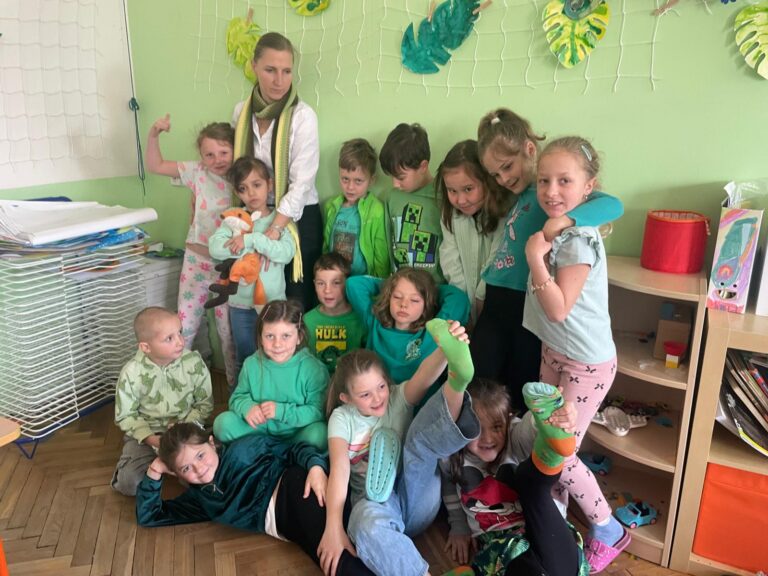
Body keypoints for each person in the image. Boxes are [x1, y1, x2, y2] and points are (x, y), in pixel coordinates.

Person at [471, 108, 624, 410]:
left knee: (518, 387)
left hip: (526, 302)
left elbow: (613, 204)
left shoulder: (553, 199)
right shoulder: (528, 194)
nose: (503, 178)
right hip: (496, 298)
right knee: (480, 383)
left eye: (506, 167)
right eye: (495, 174)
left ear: (529, 149)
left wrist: (564, 221)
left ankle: (512, 434)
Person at [523, 136, 628, 572]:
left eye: (564, 181)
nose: (551, 191)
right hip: (557, 352)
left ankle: (607, 527)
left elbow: (559, 308)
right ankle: (558, 525)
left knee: (561, 452)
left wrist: (535, 258)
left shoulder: (577, 239)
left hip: (586, 364)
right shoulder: (563, 228)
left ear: (589, 187)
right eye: (544, 180)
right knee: (546, 443)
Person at [319, 318, 479, 576]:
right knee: (364, 525)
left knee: (418, 440)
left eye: (381, 387)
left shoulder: (397, 397)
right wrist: (333, 527)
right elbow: (339, 470)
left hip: (415, 492)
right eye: (365, 395)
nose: (377, 398)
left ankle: (456, 382)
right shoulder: (342, 418)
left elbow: (424, 377)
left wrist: (444, 349)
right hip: (375, 504)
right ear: (346, 398)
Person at [136, 422, 375, 576]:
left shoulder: (244, 449)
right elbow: (150, 516)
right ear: (176, 474)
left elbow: (293, 450)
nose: (199, 469)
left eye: (200, 455)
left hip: (294, 489)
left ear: (211, 443)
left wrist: (314, 467)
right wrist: (154, 471)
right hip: (285, 525)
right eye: (186, 468)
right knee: (335, 560)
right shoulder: (199, 500)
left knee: (341, 558)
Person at [440, 379, 590, 576]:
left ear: (508, 422)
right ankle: (537, 474)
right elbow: (450, 487)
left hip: (542, 522)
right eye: (477, 429)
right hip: (501, 540)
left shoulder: (514, 438)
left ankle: (547, 440)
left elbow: (528, 430)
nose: (488, 438)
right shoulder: (450, 454)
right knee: (565, 570)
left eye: (496, 427)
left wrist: (547, 418)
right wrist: (459, 527)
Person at [145, 115, 237, 388]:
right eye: (209, 154)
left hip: (226, 267)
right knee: (184, 326)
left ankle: (234, 390)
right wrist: (154, 134)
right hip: (196, 262)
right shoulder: (197, 172)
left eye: (224, 152)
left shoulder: (242, 177)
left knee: (228, 334)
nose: (217, 159)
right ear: (201, 156)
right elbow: (156, 165)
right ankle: (175, 389)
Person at [233, 31, 322, 311]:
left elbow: (302, 183)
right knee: (257, 295)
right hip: (255, 214)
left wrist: (274, 229)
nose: (279, 80)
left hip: (296, 219)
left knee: (294, 303)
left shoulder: (302, 116)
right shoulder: (241, 113)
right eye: (270, 70)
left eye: (286, 71)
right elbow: (237, 170)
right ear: (254, 66)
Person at [208, 156, 296, 381]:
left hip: (273, 304)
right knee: (245, 358)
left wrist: (251, 240)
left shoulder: (279, 221)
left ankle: (272, 397)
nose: (251, 193)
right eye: (243, 189)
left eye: (257, 185)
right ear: (237, 192)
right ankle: (240, 399)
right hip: (241, 306)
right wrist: (249, 247)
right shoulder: (234, 220)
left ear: (269, 184)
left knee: (275, 357)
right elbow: (215, 248)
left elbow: (285, 254)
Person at [111, 307, 213, 496]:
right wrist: (152, 439)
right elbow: (126, 416)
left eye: (180, 332)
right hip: (148, 436)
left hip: (188, 430)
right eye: (169, 338)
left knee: (209, 476)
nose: (180, 341)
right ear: (145, 347)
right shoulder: (131, 373)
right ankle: (162, 464)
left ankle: (179, 466)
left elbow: (204, 404)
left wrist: (185, 429)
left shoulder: (194, 362)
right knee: (129, 483)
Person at [213, 299, 329, 449]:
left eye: (286, 336)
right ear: (261, 338)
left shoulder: (313, 369)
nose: (277, 344)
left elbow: (317, 411)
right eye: (269, 336)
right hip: (259, 430)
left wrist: (281, 411)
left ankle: (282, 452)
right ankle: (267, 449)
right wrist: (247, 407)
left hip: (296, 433)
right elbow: (237, 397)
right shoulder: (251, 364)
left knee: (320, 434)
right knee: (222, 424)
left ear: (299, 337)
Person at [346, 267, 469, 403]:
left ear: (427, 304)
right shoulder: (375, 321)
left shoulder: (434, 331)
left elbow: (458, 298)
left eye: (414, 300)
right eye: (397, 296)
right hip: (379, 405)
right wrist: (392, 284)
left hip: (422, 408)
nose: (403, 304)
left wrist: (427, 289)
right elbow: (354, 284)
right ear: (388, 297)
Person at [436, 140, 511, 326]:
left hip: (495, 300)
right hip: (463, 302)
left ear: (487, 181)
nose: (460, 200)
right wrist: (464, 303)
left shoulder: (503, 213)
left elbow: (496, 258)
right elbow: (450, 258)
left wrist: (480, 296)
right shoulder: (450, 214)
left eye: (468, 189)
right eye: (452, 191)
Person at [379, 123, 444, 282]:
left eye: (401, 177)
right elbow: (388, 243)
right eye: (392, 176)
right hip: (400, 286)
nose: (395, 184)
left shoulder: (444, 196)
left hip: (435, 286)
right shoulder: (392, 197)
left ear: (423, 167)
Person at [323, 138, 390, 278]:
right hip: (335, 281)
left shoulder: (376, 211)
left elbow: (381, 256)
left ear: (371, 180)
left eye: (358, 181)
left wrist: (378, 284)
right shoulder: (332, 207)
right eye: (345, 179)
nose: (350, 187)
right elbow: (326, 246)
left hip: (362, 282)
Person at [304, 252, 368, 373]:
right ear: (314, 284)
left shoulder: (361, 319)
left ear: (347, 284)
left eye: (336, 283)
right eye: (321, 283)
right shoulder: (307, 320)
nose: (327, 290)